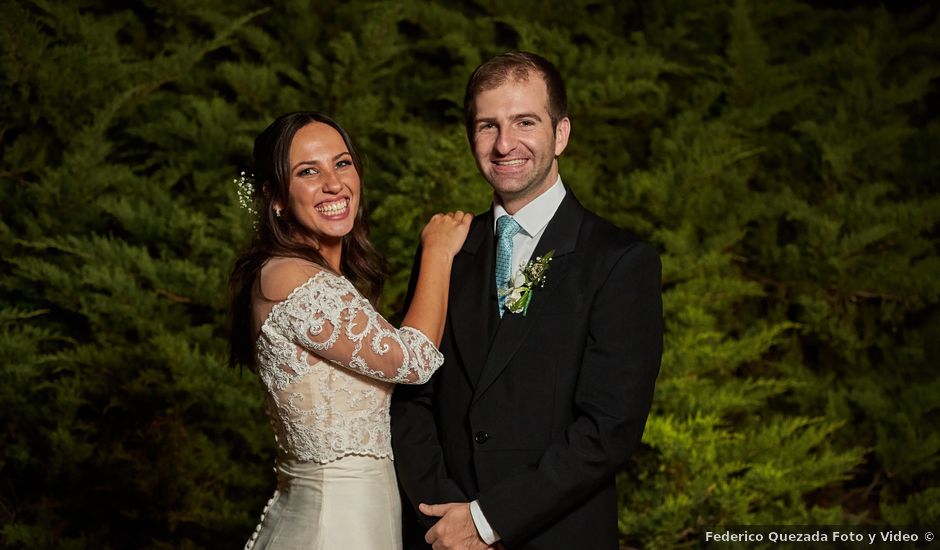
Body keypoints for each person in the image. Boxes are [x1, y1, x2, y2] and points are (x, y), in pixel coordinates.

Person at [390, 52, 663, 549]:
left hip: (557, 535)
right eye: (486, 126)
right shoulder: (448, 248)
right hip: (443, 536)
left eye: (524, 122)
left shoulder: (619, 261)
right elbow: (411, 398)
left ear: (561, 134)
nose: (504, 144)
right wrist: (444, 517)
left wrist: (486, 520)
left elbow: (609, 428)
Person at [228, 111, 471, 550]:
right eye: (307, 171)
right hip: (333, 528)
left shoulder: (317, 277)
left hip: (358, 520)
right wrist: (437, 250)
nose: (333, 183)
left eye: (342, 163)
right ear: (276, 198)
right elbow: (411, 362)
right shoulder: (291, 277)